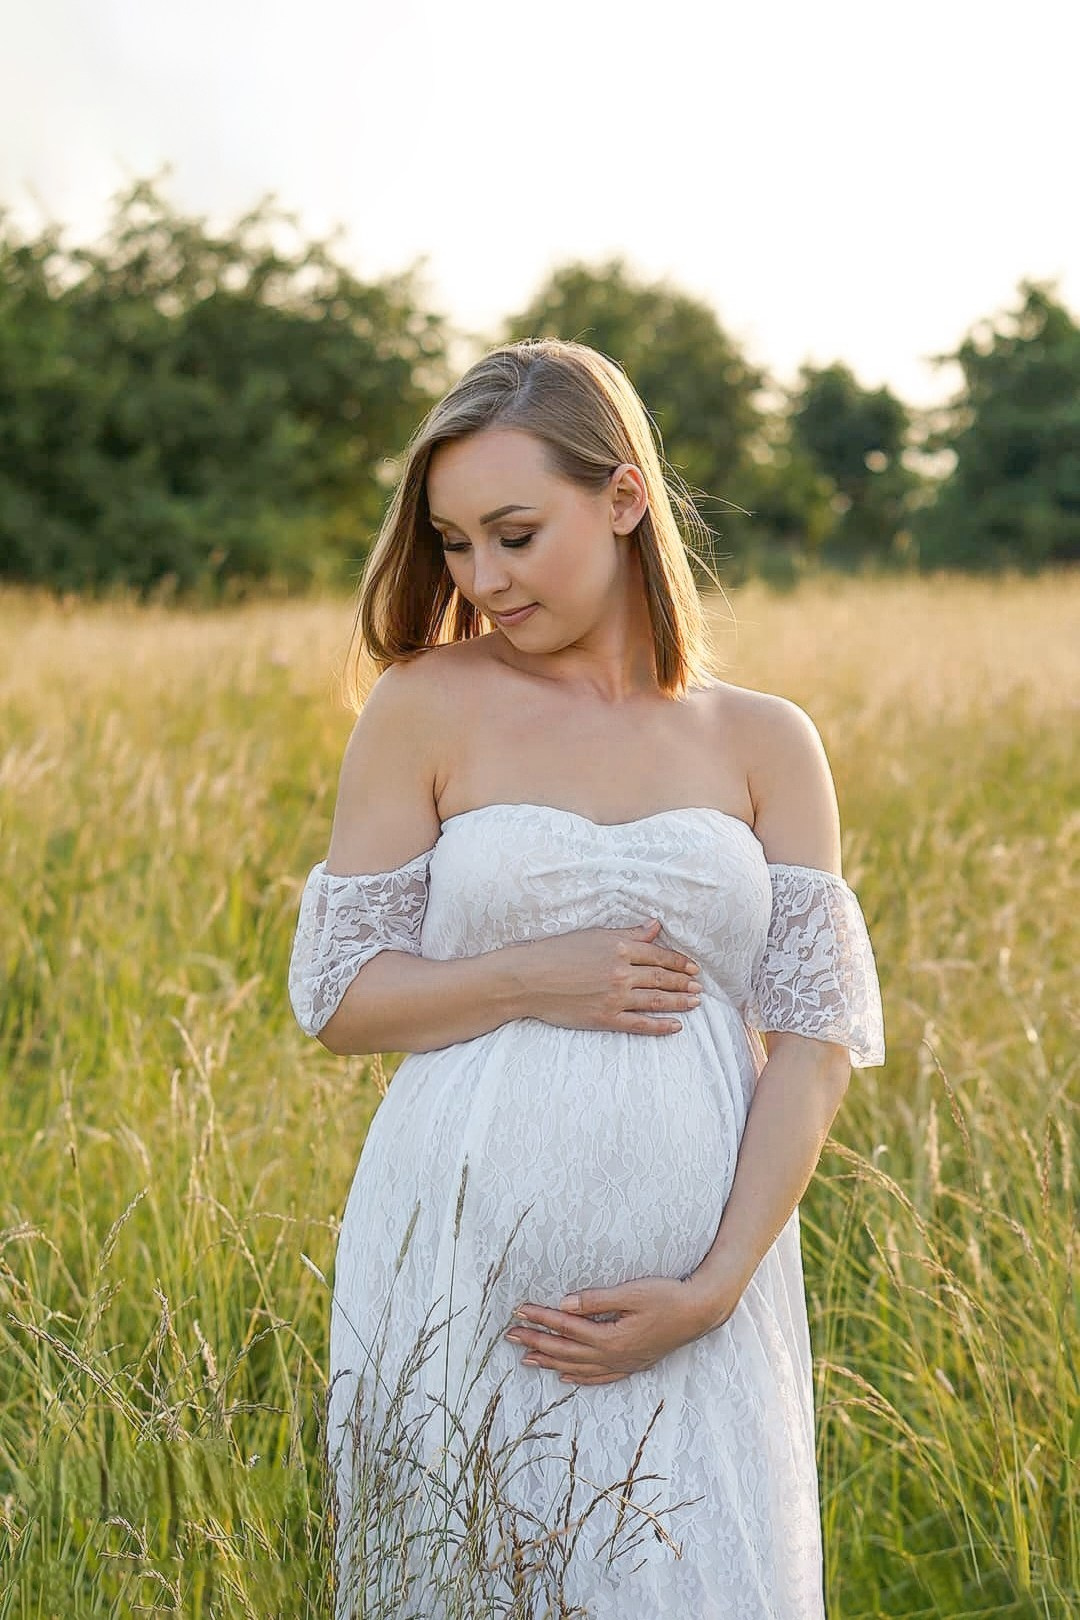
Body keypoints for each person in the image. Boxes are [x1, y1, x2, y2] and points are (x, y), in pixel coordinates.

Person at [287, 337, 885, 1620]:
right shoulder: (427, 706)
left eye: (514, 532)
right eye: (453, 544)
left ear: (624, 499)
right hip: (461, 1276)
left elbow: (815, 1043)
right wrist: (522, 976)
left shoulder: (765, 741)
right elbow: (338, 997)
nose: (483, 579)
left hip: (697, 1302)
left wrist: (712, 1287)